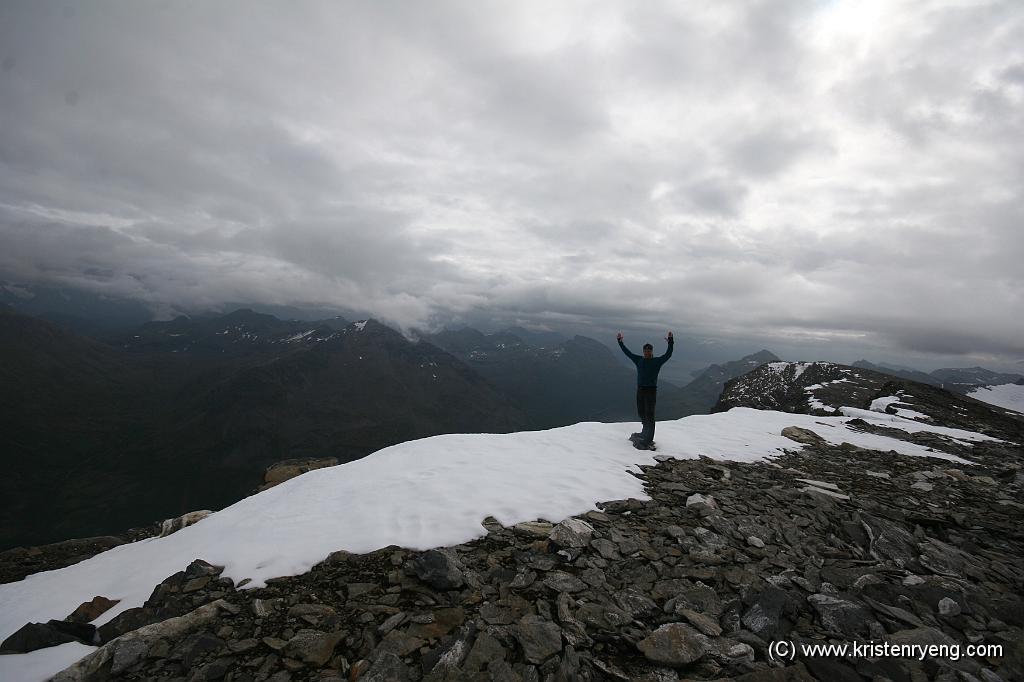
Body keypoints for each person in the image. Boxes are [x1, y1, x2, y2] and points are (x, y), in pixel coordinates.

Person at [617, 330, 674, 449]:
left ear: (652, 351)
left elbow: (668, 354)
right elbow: (627, 353)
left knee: (650, 414)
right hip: (640, 390)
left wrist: (671, 342)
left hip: (651, 391)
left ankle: (648, 439)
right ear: (643, 351)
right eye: (645, 350)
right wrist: (620, 342)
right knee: (641, 412)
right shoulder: (639, 360)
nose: (647, 352)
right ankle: (644, 432)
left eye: (649, 350)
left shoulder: (657, 361)